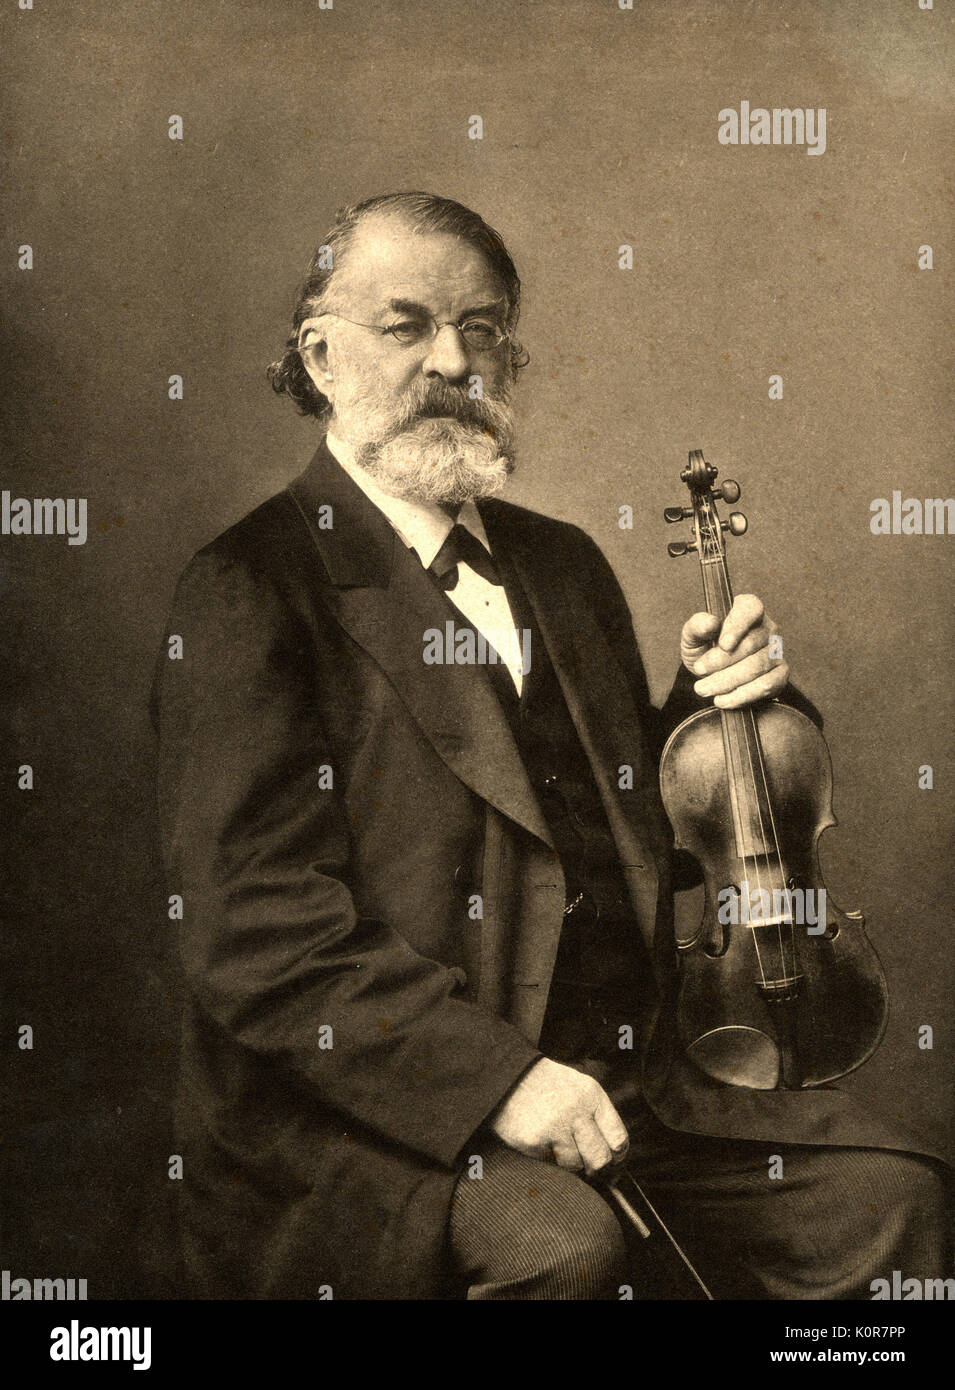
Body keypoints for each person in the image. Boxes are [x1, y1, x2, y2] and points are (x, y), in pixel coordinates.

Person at [153, 191, 949, 1300]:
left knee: (891, 1196)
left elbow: (628, 826)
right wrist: (499, 1080)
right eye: (407, 325)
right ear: (320, 357)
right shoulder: (247, 588)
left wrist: (717, 709)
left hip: (625, 1080)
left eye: (481, 329)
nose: (453, 360)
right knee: (564, 1250)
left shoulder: (561, 564)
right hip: (381, 1117)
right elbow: (253, 934)